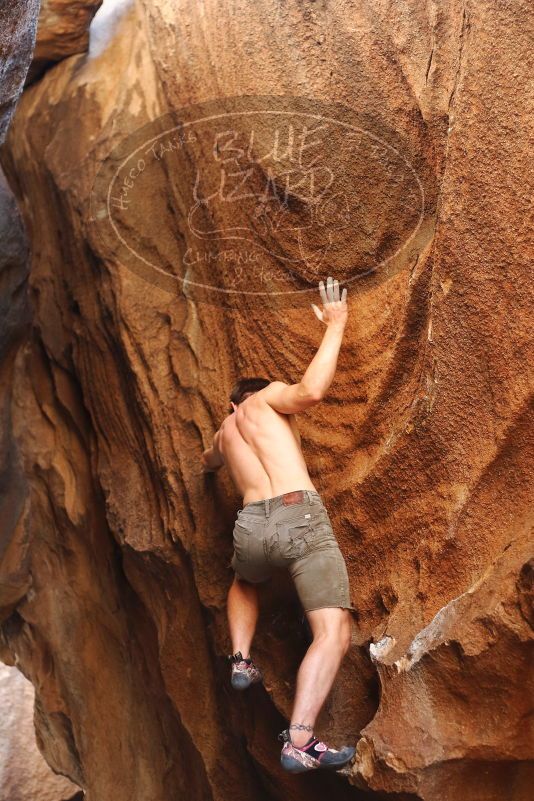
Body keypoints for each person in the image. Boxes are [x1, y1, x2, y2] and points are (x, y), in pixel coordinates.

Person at [201, 276, 356, 773]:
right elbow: (310, 391)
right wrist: (336, 325)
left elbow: (207, 462)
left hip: (251, 526)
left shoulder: (226, 432)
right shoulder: (266, 399)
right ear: (255, 396)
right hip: (298, 515)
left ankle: (241, 657)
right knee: (332, 630)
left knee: (245, 580)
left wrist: (217, 453)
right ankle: (301, 740)